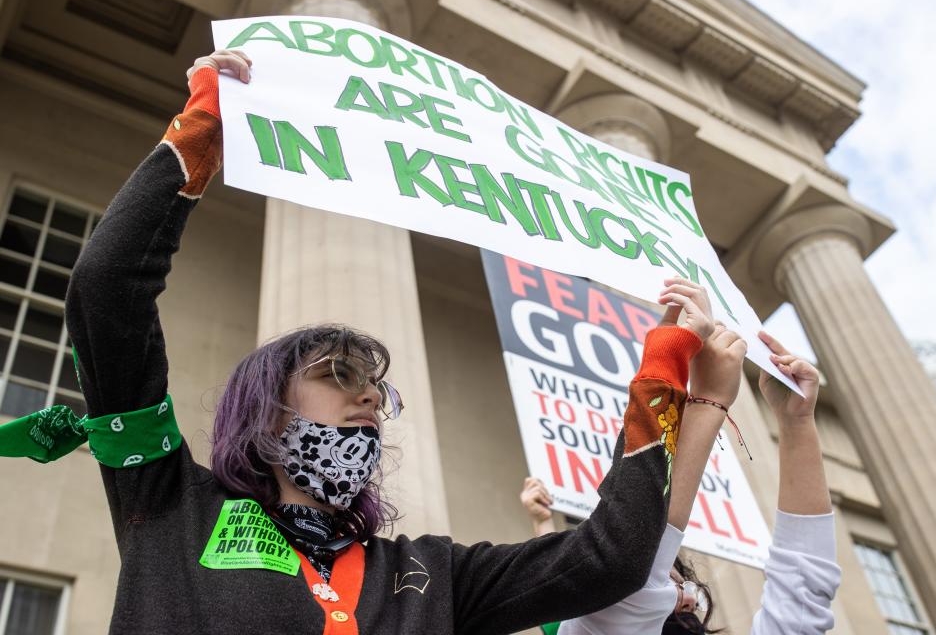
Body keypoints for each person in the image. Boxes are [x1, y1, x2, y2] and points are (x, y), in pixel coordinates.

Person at [0, 49, 718, 634]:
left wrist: (662, 368)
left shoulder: (434, 575)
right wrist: (202, 127)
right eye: (338, 372)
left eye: (378, 386)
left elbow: (613, 558)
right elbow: (106, 291)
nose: (370, 393)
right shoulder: (167, 504)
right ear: (268, 406)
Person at [524, 328, 841, 634]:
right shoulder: (595, 614)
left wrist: (795, 421)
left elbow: (802, 596)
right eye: (672, 589)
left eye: (684, 587)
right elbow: (631, 576)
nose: (689, 599)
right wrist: (709, 400)